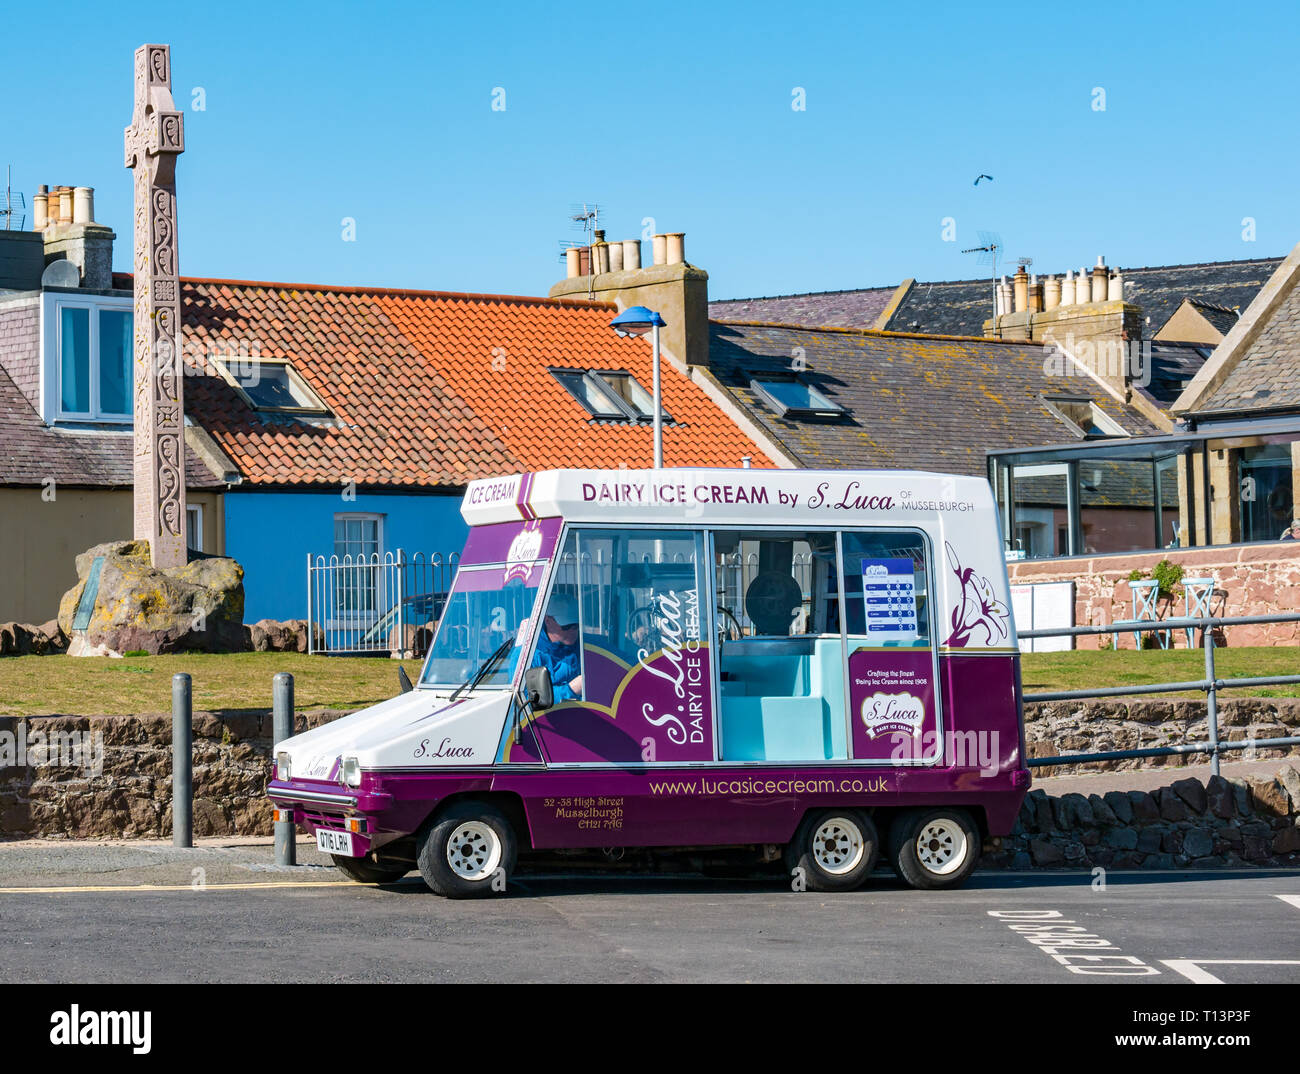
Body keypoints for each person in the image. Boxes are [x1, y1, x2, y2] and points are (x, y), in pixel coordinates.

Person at [530, 591, 583, 701]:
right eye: (566, 626)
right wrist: (570, 689)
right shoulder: (529, 654)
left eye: (576, 626)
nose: (573, 631)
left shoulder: (586, 644)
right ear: (548, 621)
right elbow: (528, 700)